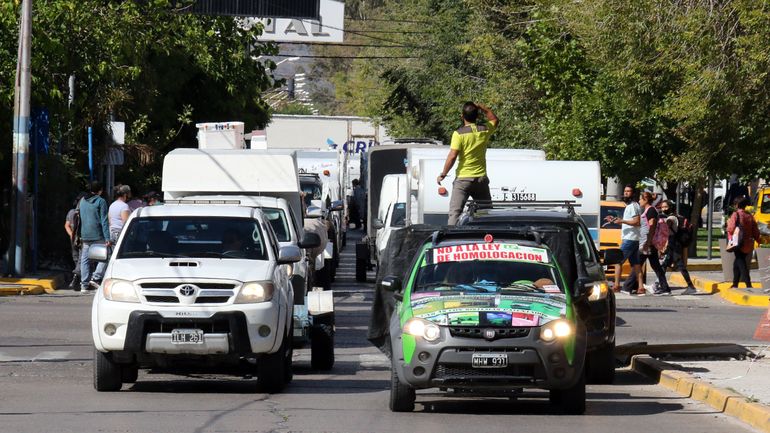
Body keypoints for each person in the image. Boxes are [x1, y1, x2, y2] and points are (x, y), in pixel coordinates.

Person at [438, 102, 499, 225]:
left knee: (455, 213)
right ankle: (490, 237)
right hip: (480, 179)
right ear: (477, 116)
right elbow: (495, 119)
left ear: (462, 116)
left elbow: (452, 156)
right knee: (486, 213)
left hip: (463, 180)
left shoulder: (459, 134)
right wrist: (483, 108)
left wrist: (443, 174)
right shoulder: (484, 129)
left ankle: (452, 239)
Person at [606, 185, 644, 294]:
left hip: (630, 239)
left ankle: (616, 285)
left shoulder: (633, 206)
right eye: (625, 191)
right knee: (636, 264)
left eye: (629, 191)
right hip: (634, 239)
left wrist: (622, 221)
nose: (626, 193)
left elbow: (637, 222)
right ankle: (641, 287)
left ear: (633, 194)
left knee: (618, 262)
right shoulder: (632, 206)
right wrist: (616, 220)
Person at [634, 192, 671, 296]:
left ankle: (629, 286)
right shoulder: (649, 210)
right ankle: (665, 288)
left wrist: (648, 242)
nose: (639, 201)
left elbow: (652, 226)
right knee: (655, 266)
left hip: (648, 243)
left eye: (640, 199)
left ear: (645, 200)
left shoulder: (650, 210)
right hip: (648, 243)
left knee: (637, 264)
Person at [659, 200, 697, 295]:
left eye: (665, 207)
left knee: (680, 266)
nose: (663, 209)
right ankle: (660, 285)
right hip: (674, 245)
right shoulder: (677, 216)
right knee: (664, 265)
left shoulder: (671, 218)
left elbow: (667, 231)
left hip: (675, 245)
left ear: (670, 207)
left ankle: (691, 286)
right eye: (662, 207)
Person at [79, 181, 111, 292]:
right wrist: (107, 238)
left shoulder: (82, 200)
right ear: (99, 190)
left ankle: (84, 284)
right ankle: (96, 277)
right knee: (105, 256)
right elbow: (104, 221)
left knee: (85, 260)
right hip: (98, 234)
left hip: (85, 234)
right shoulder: (101, 201)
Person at [726, 196, 760, 288]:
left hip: (738, 242)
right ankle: (735, 284)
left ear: (737, 205)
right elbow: (755, 230)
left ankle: (748, 284)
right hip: (748, 243)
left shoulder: (735, 214)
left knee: (741, 263)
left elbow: (731, 228)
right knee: (736, 263)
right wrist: (758, 240)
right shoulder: (749, 216)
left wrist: (728, 224)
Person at [64, 192, 87, 290]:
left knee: (76, 258)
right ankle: (77, 277)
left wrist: (72, 235)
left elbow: (66, 225)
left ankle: (76, 277)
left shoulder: (71, 212)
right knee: (81, 259)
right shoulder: (85, 212)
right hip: (81, 238)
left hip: (73, 239)